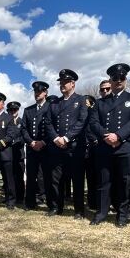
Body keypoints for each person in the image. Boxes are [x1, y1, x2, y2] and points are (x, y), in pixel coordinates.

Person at [88, 63, 130, 227]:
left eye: (122, 78)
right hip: (105, 147)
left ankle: (122, 214)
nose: (119, 80)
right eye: (115, 78)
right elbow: (93, 122)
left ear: (125, 79)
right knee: (104, 182)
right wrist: (106, 135)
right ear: (110, 80)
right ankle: (102, 212)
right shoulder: (100, 103)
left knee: (124, 182)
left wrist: (118, 136)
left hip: (125, 147)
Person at [44, 69, 90, 218]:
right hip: (57, 147)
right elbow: (48, 123)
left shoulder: (81, 100)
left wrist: (67, 138)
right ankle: (56, 207)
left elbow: (82, 121)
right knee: (55, 180)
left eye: (65, 82)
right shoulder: (54, 103)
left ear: (72, 83)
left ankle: (78, 210)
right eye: (61, 82)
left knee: (77, 179)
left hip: (74, 147)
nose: (62, 85)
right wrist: (57, 138)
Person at [21, 81, 50, 210]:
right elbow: (23, 129)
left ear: (45, 93)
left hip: (46, 147)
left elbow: (54, 127)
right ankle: (30, 202)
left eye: (39, 91)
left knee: (47, 176)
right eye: (35, 92)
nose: (37, 94)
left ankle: (51, 202)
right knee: (31, 176)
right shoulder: (28, 110)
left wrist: (43, 142)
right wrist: (31, 142)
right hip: (32, 147)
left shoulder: (51, 107)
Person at [7, 101, 25, 206]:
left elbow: (24, 135)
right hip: (8, 154)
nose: (13, 111)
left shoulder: (22, 122)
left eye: (15, 110)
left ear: (18, 110)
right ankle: (10, 197)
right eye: (11, 110)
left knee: (19, 177)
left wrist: (17, 141)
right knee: (9, 177)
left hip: (19, 153)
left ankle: (20, 197)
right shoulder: (5, 122)